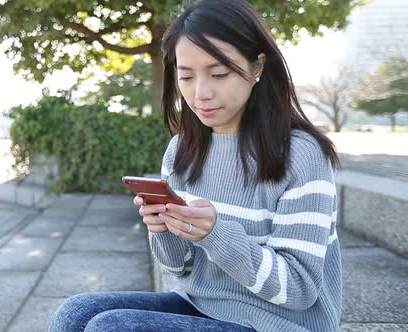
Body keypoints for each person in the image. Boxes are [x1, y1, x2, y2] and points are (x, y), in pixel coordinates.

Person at [48, 0, 342, 331]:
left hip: (278, 322)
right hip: (201, 304)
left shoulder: (300, 155)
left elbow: (299, 290)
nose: (201, 93)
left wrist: (217, 234)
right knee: (74, 312)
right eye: (186, 77)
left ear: (257, 67)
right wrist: (161, 227)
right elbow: (179, 267)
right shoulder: (182, 150)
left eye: (218, 74)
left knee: (112, 328)